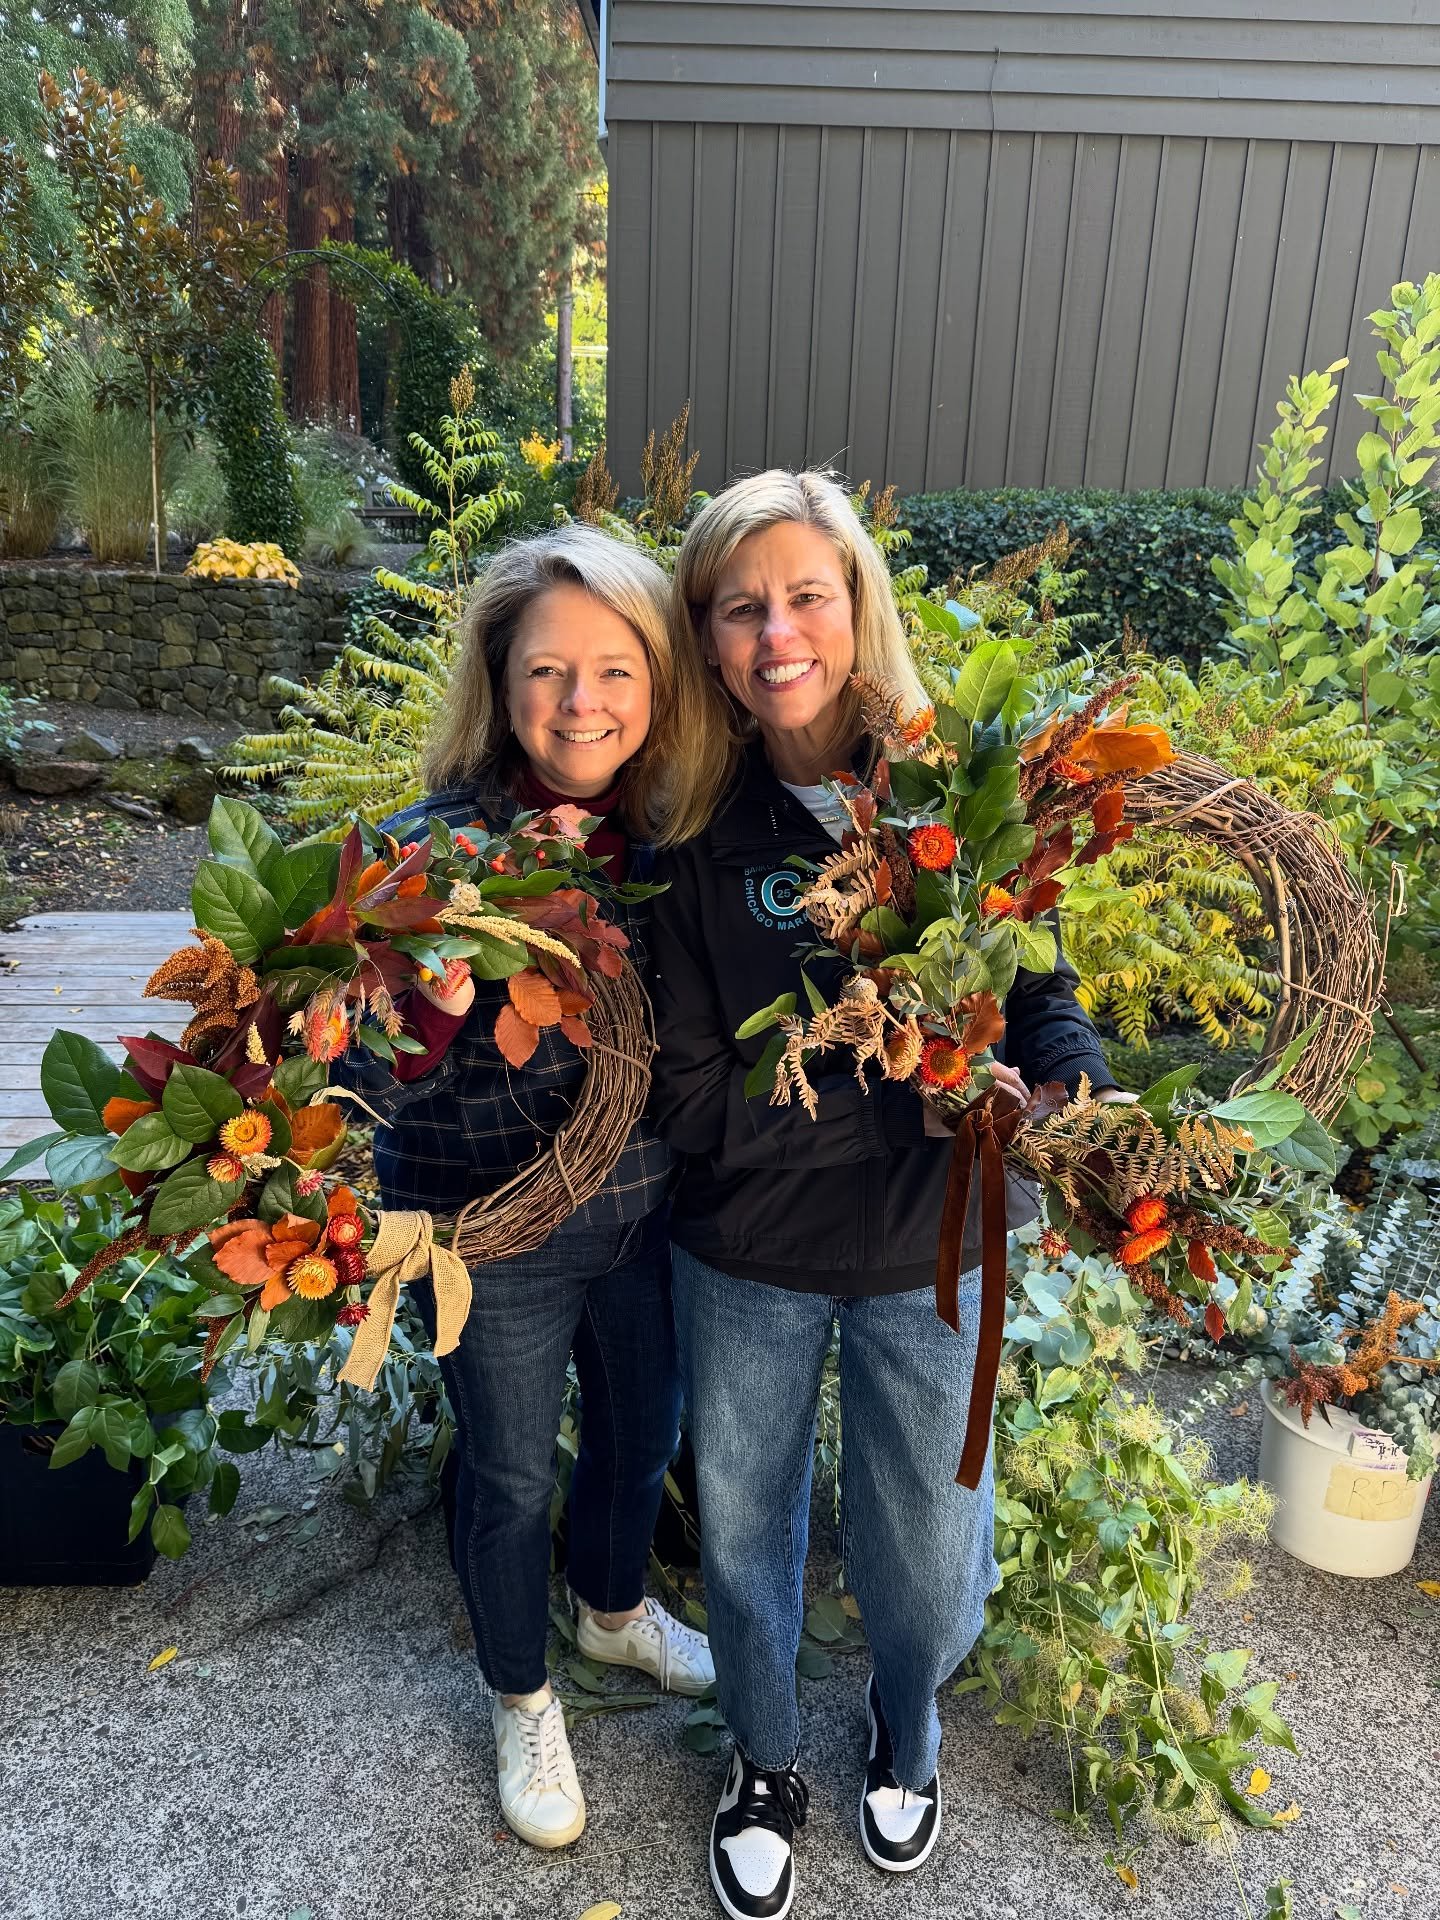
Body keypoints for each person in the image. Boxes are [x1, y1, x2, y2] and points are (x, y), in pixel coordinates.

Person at [648, 471, 1128, 1920]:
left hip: (936, 1247)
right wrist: (902, 1091)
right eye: (743, 607)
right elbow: (690, 1097)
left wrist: (1067, 1085)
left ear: (859, 604)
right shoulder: (682, 828)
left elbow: (1038, 992)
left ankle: (906, 1719)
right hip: (748, 1252)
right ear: (709, 638)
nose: (778, 630)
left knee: (929, 1543)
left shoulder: (952, 796)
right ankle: (765, 1756)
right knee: (743, 1527)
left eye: (808, 594)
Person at [342, 525, 730, 1851]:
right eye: (547, 672)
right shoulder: (420, 854)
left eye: (614, 670)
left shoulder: (677, 844)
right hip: (482, 1233)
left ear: (659, 681)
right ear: (500, 684)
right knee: (508, 1474)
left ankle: (610, 1610)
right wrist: (428, 1006)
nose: (581, 705)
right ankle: (521, 1691)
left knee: (637, 1436)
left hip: (640, 1219)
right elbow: (349, 1078)